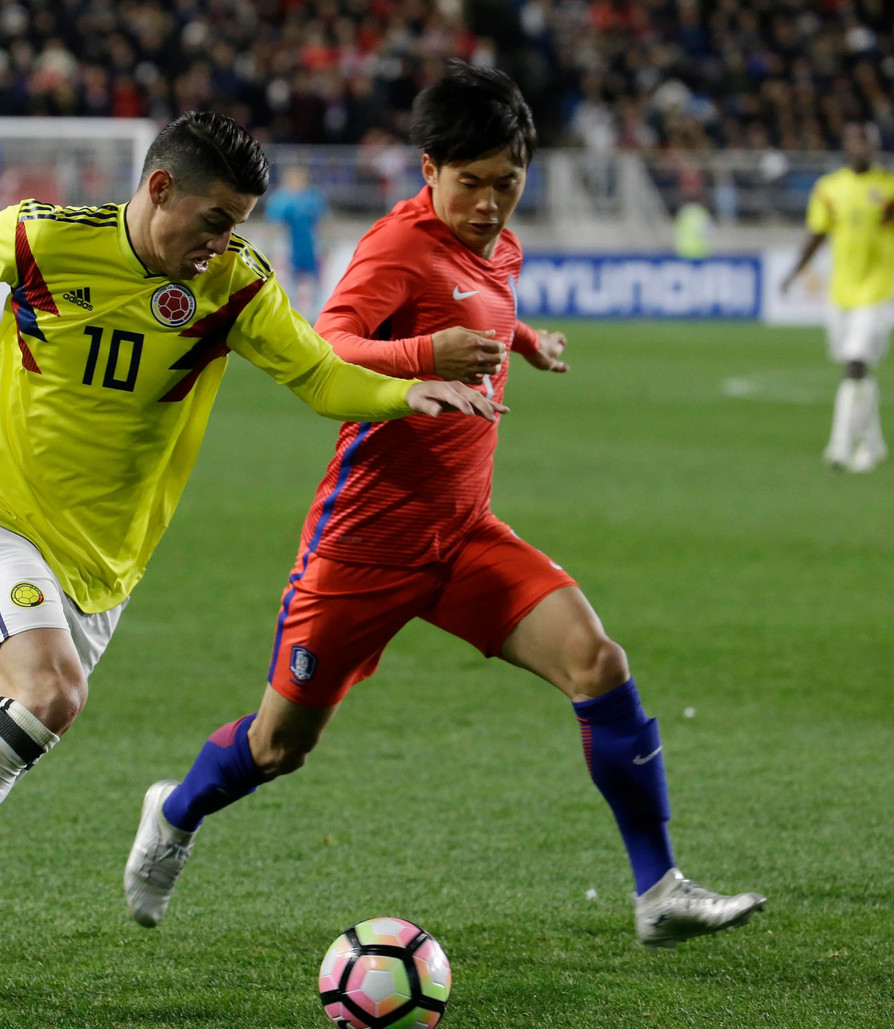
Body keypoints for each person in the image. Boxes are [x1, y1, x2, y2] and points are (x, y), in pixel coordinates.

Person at [0, 111, 503, 994]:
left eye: (237, 225)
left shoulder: (235, 286)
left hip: (100, 576)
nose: (223, 242)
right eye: (214, 220)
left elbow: (317, 375)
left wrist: (406, 393)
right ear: (160, 188)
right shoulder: (45, 239)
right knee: (51, 692)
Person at [124, 66, 767, 951]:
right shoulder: (396, 248)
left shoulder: (501, 248)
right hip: (364, 543)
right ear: (430, 169)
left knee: (599, 664)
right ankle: (177, 808)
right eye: (471, 183)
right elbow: (327, 342)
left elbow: (484, 303)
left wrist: (522, 340)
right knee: (278, 746)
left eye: (508, 182)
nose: (491, 203)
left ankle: (658, 889)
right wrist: (427, 352)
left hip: (462, 534)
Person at [781, 120, 894, 473]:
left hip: (877, 292)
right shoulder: (829, 189)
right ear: (845, 146)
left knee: (855, 365)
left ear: (873, 146)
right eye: (853, 142)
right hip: (840, 294)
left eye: (865, 142)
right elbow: (817, 234)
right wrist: (793, 273)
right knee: (859, 372)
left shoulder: (888, 188)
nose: (859, 148)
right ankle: (874, 445)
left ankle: (839, 446)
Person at [265, 164, 329, 318]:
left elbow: (322, 221)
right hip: (289, 246)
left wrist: (325, 243)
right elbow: (273, 225)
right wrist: (272, 247)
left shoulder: (313, 197)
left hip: (310, 245)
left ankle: (316, 314)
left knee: (315, 278)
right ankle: (288, 312)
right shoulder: (280, 199)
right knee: (288, 280)